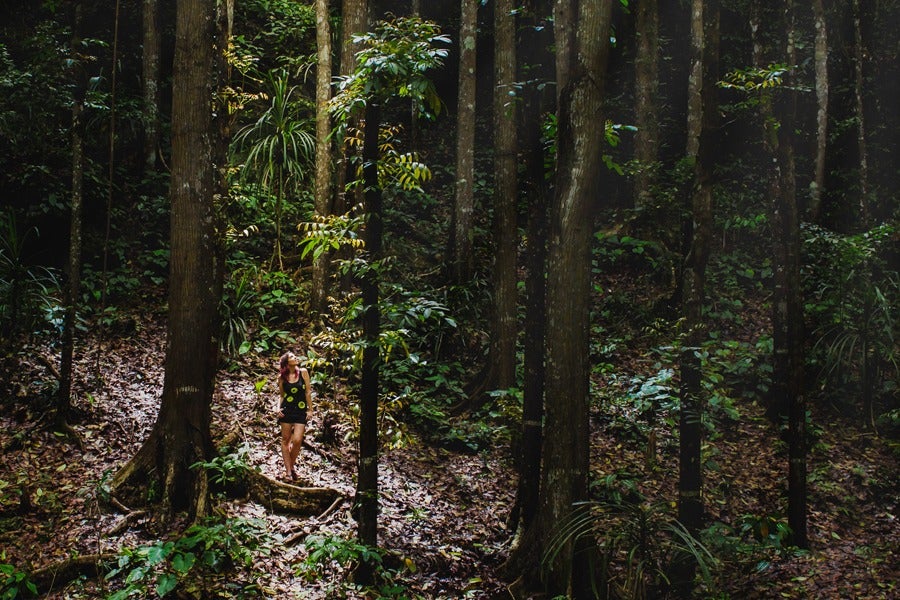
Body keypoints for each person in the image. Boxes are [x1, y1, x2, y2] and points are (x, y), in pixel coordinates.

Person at [275, 351, 312, 482]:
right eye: (291, 357)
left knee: (297, 440)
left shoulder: (303, 372)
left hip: (301, 410)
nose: (295, 357)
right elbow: (281, 395)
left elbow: (307, 392)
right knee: (285, 441)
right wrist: (277, 407)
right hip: (286, 410)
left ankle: (290, 466)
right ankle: (289, 472)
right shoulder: (281, 377)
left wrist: (310, 410)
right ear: (286, 362)